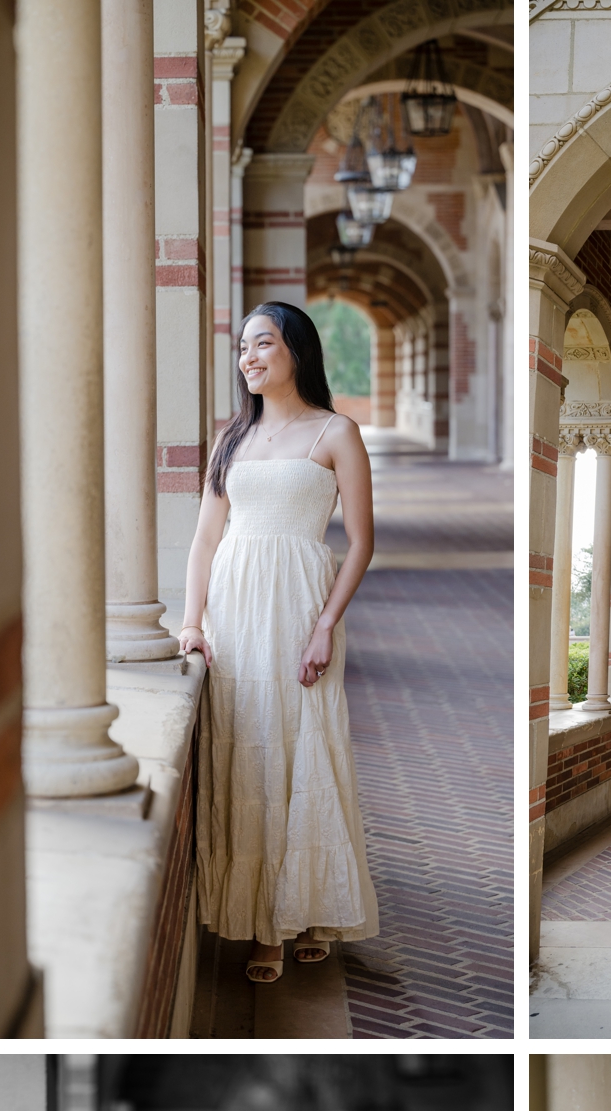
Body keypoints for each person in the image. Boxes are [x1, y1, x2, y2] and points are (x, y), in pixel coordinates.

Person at [180, 302, 379, 983]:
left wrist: (325, 623)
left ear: (296, 349)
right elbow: (206, 539)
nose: (249, 357)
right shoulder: (230, 438)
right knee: (250, 753)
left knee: (306, 751)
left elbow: (360, 542)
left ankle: (311, 912)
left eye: (262, 343)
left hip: (299, 604)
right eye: (242, 348)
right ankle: (267, 921)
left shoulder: (335, 432)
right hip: (236, 608)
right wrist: (191, 623)